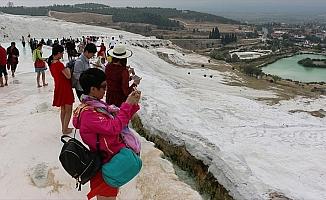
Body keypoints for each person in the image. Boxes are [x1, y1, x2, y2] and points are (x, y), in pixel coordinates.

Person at [73, 68, 141, 200]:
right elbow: (114, 127)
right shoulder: (89, 113)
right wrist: (127, 105)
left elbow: (119, 122)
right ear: (93, 89)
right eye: (103, 87)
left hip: (110, 159)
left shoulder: (97, 106)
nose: (105, 90)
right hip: (105, 163)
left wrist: (132, 104)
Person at [48, 45, 75, 134]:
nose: (63, 54)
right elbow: (68, 76)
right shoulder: (59, 64)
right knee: (68, 110)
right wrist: (68, 68)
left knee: (63, 109)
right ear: (58, 53)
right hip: (65, 88)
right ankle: (65, 129)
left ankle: (64, 127)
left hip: (59, 87)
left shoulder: (51, 63)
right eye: (62, 53)